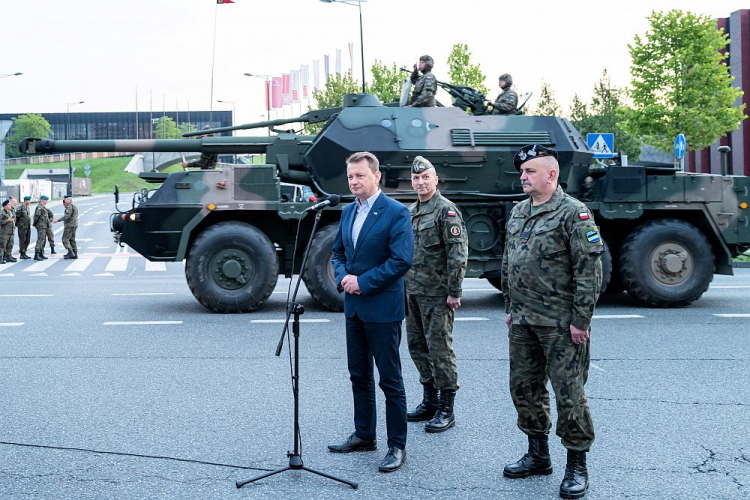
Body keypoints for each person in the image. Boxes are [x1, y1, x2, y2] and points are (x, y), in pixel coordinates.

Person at [501, 144, 603, 499]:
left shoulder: (574, 214)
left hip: (561, 324)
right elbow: (509, 261)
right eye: (523, 172)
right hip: (525, 320)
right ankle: (538, 455)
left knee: (569, 395)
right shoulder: (518, 211)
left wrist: (581, 319)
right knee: (524, 389)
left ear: (551, 174)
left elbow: (589, 271)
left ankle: (576, 464)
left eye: (530, 171)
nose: (523, 177)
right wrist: (510, 306)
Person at [328, 151, 414, 473]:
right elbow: (337, 253)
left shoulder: (396, 212)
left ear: (376, 176)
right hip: (354, 310)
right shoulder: (348, 212)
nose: (354, 182)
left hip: (382, 308)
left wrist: (363, 282)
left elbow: (401, 260)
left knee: (390, 380)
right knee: (359, 375)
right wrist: (342, 278)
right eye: (350, 177)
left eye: (360, 176)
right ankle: (364, 434)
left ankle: (397, 445)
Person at [405, 156, 468, 434]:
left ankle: (447, 408)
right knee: (417, 347)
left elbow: (458, 254)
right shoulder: (411, 211)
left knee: (440, 350)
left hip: (438, 294)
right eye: (416, 178)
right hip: (413, 292)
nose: (420, 182)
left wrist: (454, 291)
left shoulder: (446, 211)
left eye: (425, 177)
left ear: (435, 180)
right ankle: (429, 401)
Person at [53, 194, 78, 259]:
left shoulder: (70, 206)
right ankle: (75, 253)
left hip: (69, 225)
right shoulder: (74, 205)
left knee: (65, 239)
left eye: (65, 200)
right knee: (72, 239)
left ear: (68, 200)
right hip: (74, 224)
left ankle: (70, 252)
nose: (64, 201)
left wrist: (58, 220)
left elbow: (67, 216)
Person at [33, 195, 51, 261]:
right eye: (45, 200)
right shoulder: (39, 207)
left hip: (44, 225)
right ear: (42, 200)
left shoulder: (43, 207)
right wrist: (35, 224)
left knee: (43, 240)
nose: (46, 201)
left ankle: (40, 253)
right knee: (40, 239)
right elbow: (36, 217)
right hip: (41, 226)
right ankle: (36, 254)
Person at [0, 199, 17, 264]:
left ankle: (8, 256)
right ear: (5, 206)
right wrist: (7, 221)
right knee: (2, 246)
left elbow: (13, 221)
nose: (10, 205)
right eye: (9, 204)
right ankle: (1, 257)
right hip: (4, 232)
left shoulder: (10, 211)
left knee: (10, 245)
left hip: (11, 231)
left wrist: (13, 230)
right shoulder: (2, 212)